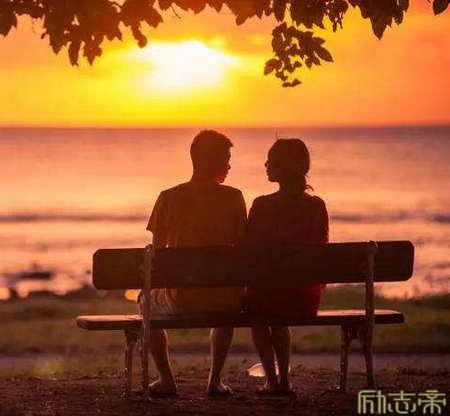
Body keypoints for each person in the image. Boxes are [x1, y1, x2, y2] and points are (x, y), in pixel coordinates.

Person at [143, 130, 247, 397]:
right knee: (226, 296)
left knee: (145, 301)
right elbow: (243, 250)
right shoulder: (234, 197)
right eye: (226, 159)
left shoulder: (168, 197)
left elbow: (156, 254)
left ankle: (166, 379)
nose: (229, 166)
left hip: (183, 298)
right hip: (226, 299)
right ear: (213, 162)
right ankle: (215, 381)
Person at [244, 138, 329, 395]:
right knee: (277, 304)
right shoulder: (316, 206)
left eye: (271, 160)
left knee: (259, 314)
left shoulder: (262, 205)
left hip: (267, 297)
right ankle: (283, 381)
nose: (266, 165)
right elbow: (322, 251)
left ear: (283, 167)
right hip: (304, 298)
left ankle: (272, 380)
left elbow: (249, 251)